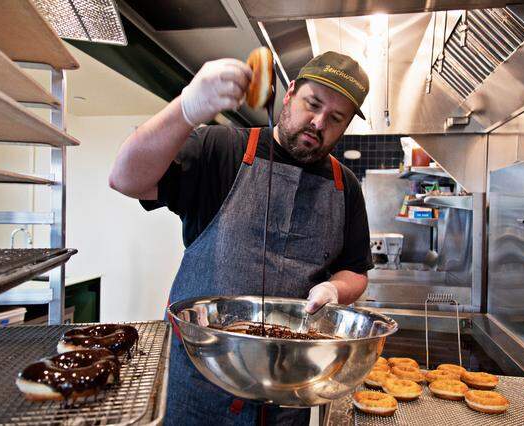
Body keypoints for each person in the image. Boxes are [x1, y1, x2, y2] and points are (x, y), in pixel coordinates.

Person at [109, 51, 373, 425]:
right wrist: (185, 109)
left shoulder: (344, 186)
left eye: (335, 118)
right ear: (289, 93)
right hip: (200, 381)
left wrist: (335, 290)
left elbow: (355, 271)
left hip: (288, 391)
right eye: (312, 104)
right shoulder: (222, 148)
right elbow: (125, 178)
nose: (318, 122)